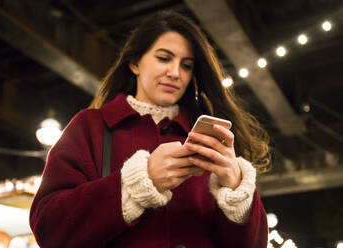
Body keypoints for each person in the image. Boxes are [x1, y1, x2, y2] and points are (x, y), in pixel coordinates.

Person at [29, 11, 271, 248]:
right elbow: (49, 228)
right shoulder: (91, 126)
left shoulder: (209, 140)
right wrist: (138, 183)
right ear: (134, 63)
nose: (175, 73)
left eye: (186, 66)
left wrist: (236, 190)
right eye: (164, 58)